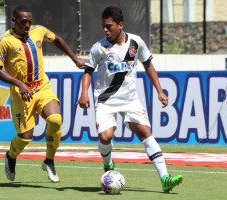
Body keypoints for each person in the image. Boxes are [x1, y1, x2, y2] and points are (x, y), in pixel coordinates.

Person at [76, 6, 183, 193]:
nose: (105, 30)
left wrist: (160, 91)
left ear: (120, 24)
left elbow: (149, 65)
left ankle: (165, 178)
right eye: (103, 26)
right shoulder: (99, 47)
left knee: (145, 133)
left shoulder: (136, 42)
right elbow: (88, 72)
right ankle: (108, 164)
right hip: (105, 99)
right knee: (105, 136)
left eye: (109, 26)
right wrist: (84, 93)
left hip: (130, 99)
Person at [0, 5, 85, 183]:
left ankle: (49, 161)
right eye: (23, 22)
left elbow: (56, 39)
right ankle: (11, 156)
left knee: (55, 120)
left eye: (29, 22)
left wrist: (74, 58)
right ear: (14, 21)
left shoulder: (39, 31)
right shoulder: (4, 41)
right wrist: (19, 84)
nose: (27, 25)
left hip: (42, 87)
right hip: (21, 94)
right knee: (25, 137)